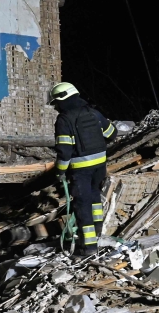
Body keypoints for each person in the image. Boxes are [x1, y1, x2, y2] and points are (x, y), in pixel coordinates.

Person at [47, 82, 115, 255]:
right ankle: (98, 231)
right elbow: (111, 134)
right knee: (94, 197)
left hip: (80, 170)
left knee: (82, 206)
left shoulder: (64, 119)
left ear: (62, 99)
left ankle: (89, 247)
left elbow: (64, 151)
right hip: (100, 166)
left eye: (56, 103)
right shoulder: (94, 113)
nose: (56, 108)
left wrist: (60, 171)